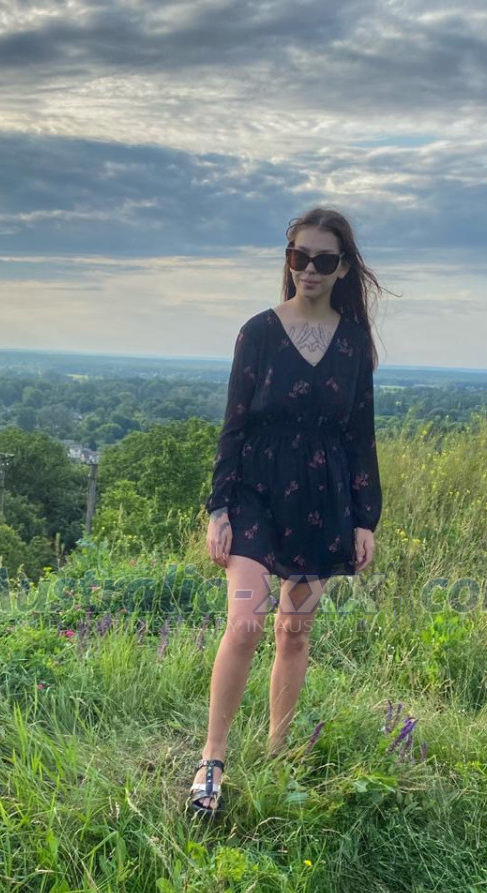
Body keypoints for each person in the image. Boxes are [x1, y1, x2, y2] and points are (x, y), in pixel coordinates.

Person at [188, 207, 384, 816]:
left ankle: (278, 754)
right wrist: (219, 507)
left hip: (323, 497)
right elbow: (234, 424)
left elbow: (360, 433)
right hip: (255, 490)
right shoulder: (258, 333)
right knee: (247, 622)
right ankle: (212, 760)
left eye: (324, 259)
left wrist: (365, 518)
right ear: (288, 259)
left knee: (294, 631)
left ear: (343, 267)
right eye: (300, 257)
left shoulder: (354, 343)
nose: (310, 269)